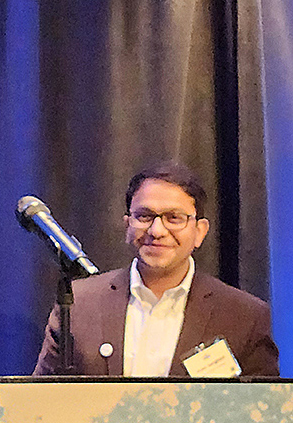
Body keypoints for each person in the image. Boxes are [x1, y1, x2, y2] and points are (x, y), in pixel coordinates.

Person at [33, 161, 279, 377]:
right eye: (144, 216)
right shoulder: (78, 304)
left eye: (174, 218)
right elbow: (40, 400)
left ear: (200, 231)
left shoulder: (244, 317)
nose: (157, 231)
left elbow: (261, 409)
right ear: (127, 225)